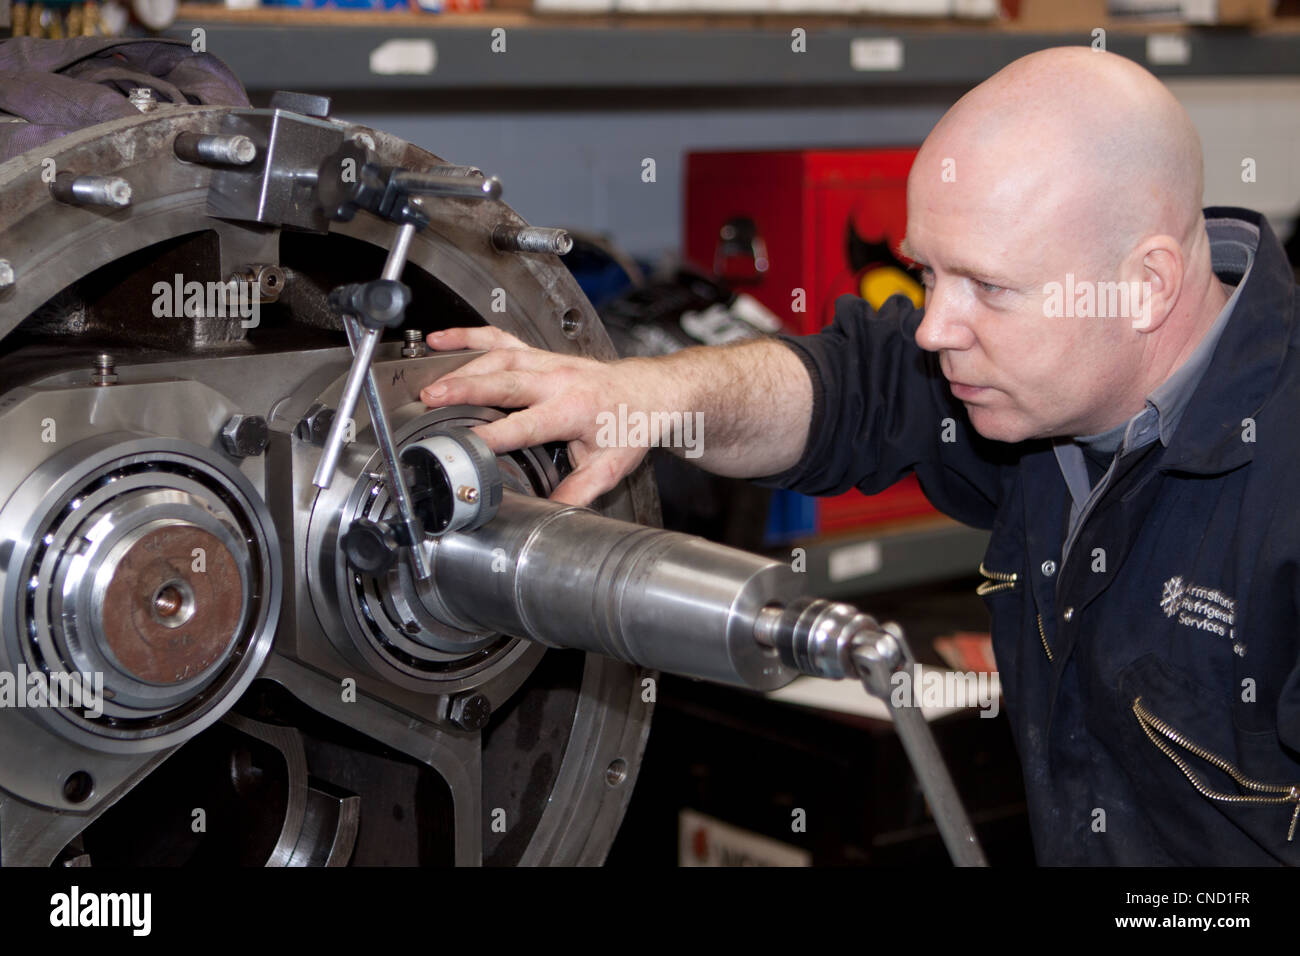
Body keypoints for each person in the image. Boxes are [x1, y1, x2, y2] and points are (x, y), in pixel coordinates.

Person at [417, 47, 1300, 865]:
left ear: (1143, 285)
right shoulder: (1039, 381)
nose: (935, 327)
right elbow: (847, 388)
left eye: (989, 287)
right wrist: (647, 398)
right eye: (927, 274)